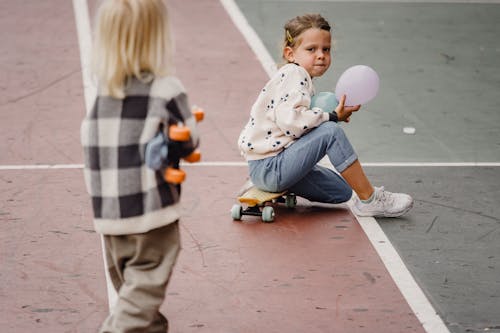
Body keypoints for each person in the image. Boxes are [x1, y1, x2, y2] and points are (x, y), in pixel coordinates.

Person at [80, 0, 199, 332]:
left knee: (135, 297)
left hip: (110, 217)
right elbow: (190, 141)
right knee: (141, 295)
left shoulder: (102, 96)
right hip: (150, 214)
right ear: (158, 37)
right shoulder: (166, 90)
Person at [237, 13, 413, 217]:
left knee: (342, 191)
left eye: (325, 49)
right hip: (271, 166)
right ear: (290, 53)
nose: (320, 55)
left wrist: (329, 116)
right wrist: (331, 117)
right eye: (311, 49)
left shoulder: (295, 77)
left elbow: (295, 124)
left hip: (270, 166)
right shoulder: (294, 74)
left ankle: (267, 183)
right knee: (331, 132)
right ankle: (370, 200)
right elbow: (291, 124)